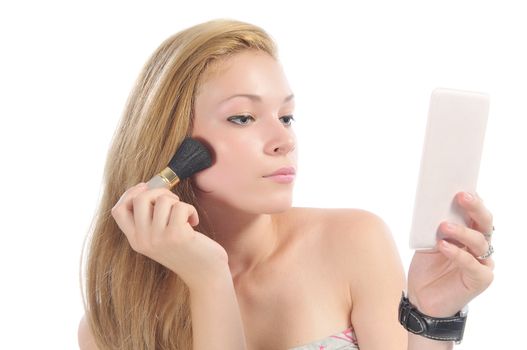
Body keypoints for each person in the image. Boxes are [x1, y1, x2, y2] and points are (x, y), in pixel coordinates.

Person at [78, 19, 495, 350]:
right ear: (170, 142)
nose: (284, 140)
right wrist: (210, 280)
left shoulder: (351, 242)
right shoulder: (115, 323)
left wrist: (432, 319)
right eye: (243, 117)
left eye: (286, 116)